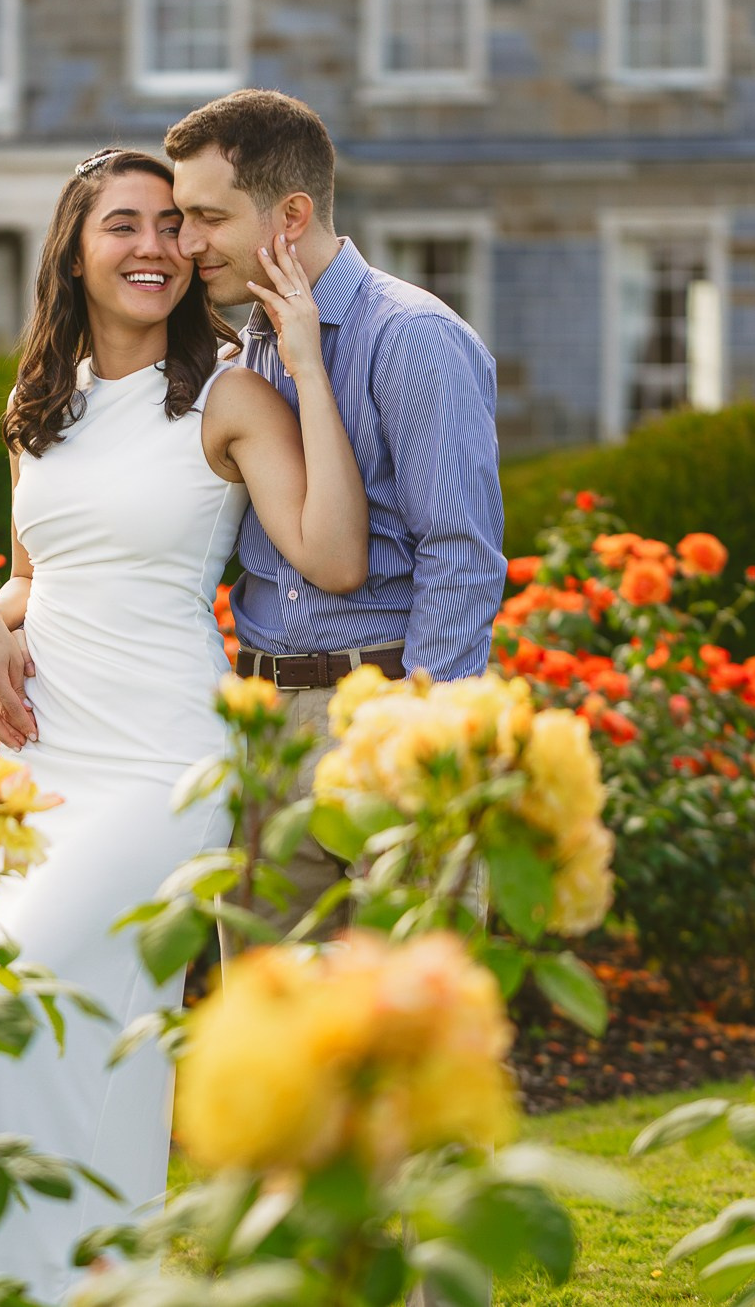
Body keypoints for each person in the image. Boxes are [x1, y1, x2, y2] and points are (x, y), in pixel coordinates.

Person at [0, 147, 369, 1300]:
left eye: (170, 226)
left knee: (60, 992)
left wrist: (304, 361)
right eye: (122, 226)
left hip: (158, 764)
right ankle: (3, 1284)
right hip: (47, 766)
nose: (154, 247)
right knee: (9, 1011)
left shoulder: (226, 395)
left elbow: (330, 553)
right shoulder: (40, 408)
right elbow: (37, 573)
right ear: (73, 254)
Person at [165, 88, 507, 948]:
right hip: (266, 729)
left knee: (412, 1039)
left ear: (291, 213)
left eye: (209, 215)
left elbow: (460, 552)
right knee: (272, 1046)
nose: (188, 242)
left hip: (386, 707)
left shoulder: (413, 338)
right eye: (181, 216)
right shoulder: (249, 345)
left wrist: (420, 739)